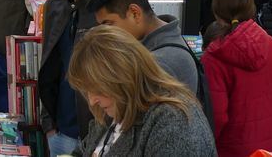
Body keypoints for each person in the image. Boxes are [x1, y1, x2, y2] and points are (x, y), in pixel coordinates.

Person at [70, 26, 216, 157]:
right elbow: (83, 150)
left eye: (98, 89)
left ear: (122, 77)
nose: (92, 100)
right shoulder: (115, 108)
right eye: (88, 91)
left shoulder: (173, 122)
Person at [29, 0, 102, 155]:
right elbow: (50, 63)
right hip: (61, 132)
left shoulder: (110, 6)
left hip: (97, 137)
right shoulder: (56, 5)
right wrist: (49, 124)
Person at [202, 0, 272, 156]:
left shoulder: (215, 56)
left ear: (217, 9)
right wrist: (265, 120)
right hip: (268, 146)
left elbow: (217, 115)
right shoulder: (270, 44)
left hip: (229, 147)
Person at [88, 0, 198, 92]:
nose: (105, 34)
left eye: (108, 24)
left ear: (135, 13)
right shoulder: (161, 43)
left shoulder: (160, 62)